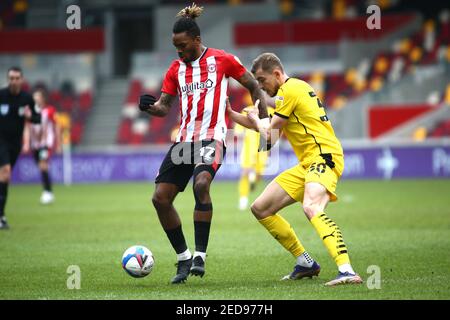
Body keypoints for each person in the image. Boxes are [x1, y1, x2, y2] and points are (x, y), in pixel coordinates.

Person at [138, 3, 268, 284]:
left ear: (197, 40)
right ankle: (184, 258)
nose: (179, 52)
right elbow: (164, 106)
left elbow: (253, 84)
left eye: (183, 46)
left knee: (201, 184)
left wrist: (265, 120)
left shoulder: (222, 60)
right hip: (185, 139)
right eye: (176, 47)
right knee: (160, 198)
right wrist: (149, 107)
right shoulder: (175, 69)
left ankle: (200, 255)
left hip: (213, 136)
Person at [227, 53, 362, 286]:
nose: (258, 86)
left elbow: (268, 133)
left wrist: (256, 119)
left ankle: (347, 270)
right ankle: (305, 263)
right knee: (261, 208)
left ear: (277, 74)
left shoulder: (291, 89)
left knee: (311, 207)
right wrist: (230, 114)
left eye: (261, 80)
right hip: (308, 163)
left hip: (324, 156)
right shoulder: (287, 93)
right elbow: (267, 126)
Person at [0, 67, 41, 230]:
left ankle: (1, 215)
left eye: (17, 78)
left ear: (21, 80)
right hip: (0, 140)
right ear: (7, 79)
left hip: (15, 144)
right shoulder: (1, 95)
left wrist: (30, 116)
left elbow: (38, 118)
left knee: (5, 178)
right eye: (11, 78)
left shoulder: (27, 98)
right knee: (6, 171)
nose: (14, 81)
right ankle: (1, 216)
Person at [234, 96, 275, 211]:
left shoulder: (271, 111)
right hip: (249, 144)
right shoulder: (248, 110)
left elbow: (275, 129)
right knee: (245, 171)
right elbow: (238, 129)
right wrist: (240, 135)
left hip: (263, 144)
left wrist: (271, 144)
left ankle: (253, 180)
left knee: (259, 173)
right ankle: (243, 199)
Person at [23, 88, 61, 204]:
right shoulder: (29, 112)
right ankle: (48, 192)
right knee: (41, 166)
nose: (35, 98)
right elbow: (27, 128)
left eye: (37, 96)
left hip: (46, 143)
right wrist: (26, 143)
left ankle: (47, 192)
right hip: (35, 145)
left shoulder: (49, 110)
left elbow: (57, 126)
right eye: (34, 96)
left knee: (43, 165)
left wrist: (58, 143)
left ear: (43, 98)